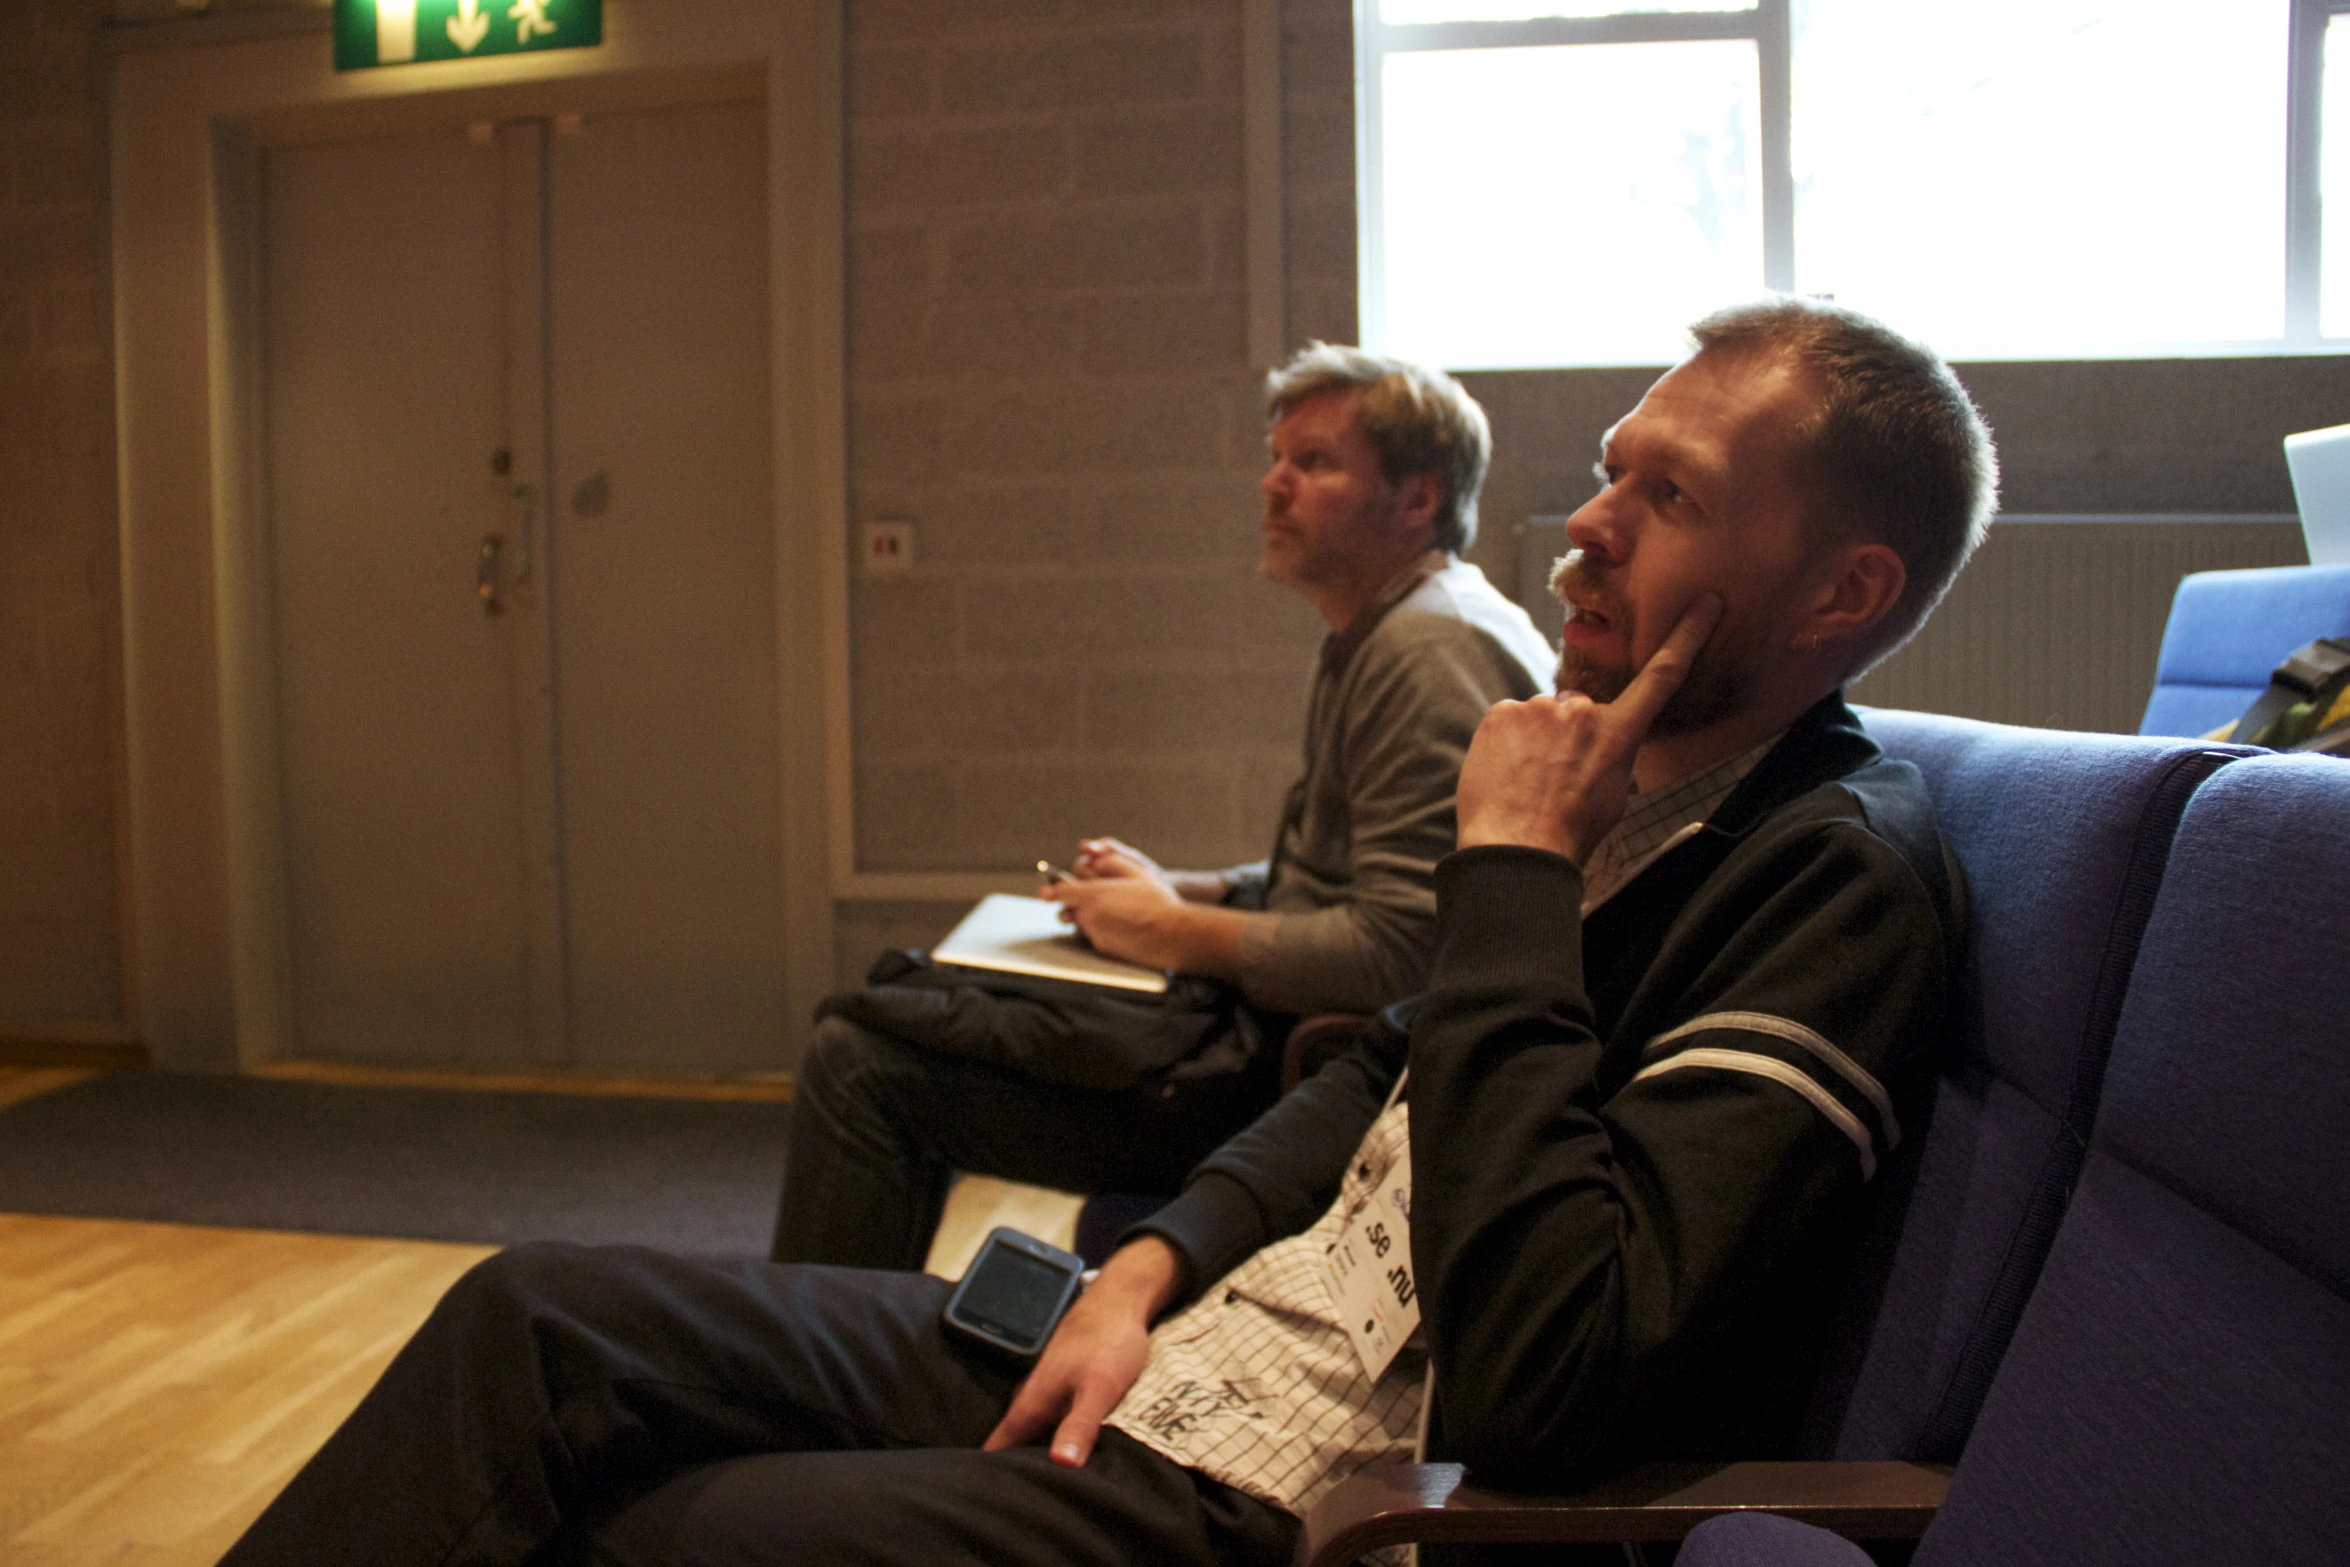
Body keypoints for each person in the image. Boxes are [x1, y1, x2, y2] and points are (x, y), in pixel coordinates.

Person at [218, 296, 1995, 1567]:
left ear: (1845, 592)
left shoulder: (1828, 876)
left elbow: (1543, 1375)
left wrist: (1513, 875)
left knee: (661, 1522)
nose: (1583, 533)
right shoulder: (1629, 793)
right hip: (1189, 1338)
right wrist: (1148, 1265)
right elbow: (1388, 1058)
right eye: (1610, 475)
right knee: (537, 1320)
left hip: (1311, 1480)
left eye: (1668, 498)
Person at [773, 344, 1554, 1270]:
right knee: (921, 993)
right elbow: (1338, 870)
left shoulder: (1424, 655)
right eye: (1276, 459)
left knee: (862, 1059)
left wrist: (1173, 930)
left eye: (1314, 463)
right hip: (1268, 1042)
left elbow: (1404, 955)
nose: (1272, 486)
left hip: (1293, 1087)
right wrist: (1196, 889)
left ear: (1418, 498)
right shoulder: (1398, 624)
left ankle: (828, 1372)